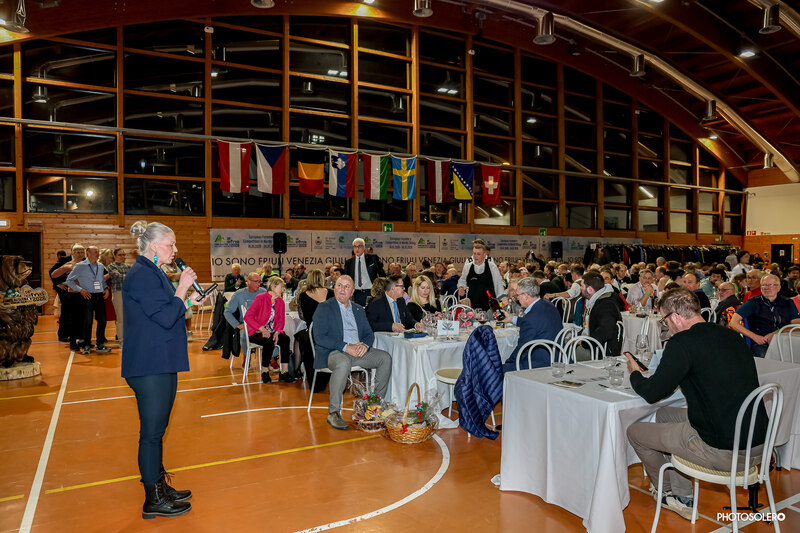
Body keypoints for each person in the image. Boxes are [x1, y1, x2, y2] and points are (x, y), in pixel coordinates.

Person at [625, 288, 768, 522]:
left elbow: (651, 393)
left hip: (724, 450)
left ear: (675, 317)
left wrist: (634, 373)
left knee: (635, 432)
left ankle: (671, 494)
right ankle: (682, 490)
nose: (666, 326)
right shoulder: (731, 335)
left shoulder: (682, 343)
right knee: (663, 414)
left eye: (664, 320)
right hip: (757, 440)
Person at [122, 220, 207, 519]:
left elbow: (167, 311)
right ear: (154, 245)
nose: (175, 249)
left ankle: (159, 487)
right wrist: (182, 287)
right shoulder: (142, 274)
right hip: (149, 364)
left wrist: (188, 299)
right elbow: (165, 317)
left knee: (157, 432)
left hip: (160, 360)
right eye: (171, 244)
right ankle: (153, 499)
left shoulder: (153, 271)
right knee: (152, 434)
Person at [312, 275, 392, 430]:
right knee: (343, 363)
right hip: (333, 352)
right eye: (339, 285)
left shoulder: (358, 309)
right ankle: (334, 412)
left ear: (352, 291)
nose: (342, 290)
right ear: (334, 288)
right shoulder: (324, 307)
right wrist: (345, 347)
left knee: (385, 358)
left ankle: (374, 406)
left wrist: (365, 346)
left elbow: (369, 334)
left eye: (346, 286)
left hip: (357, 352)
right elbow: (320, 337)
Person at [729, 274, 800, 358]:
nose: (766, 288)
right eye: (763, 285)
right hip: (761, 342)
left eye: (770, 285)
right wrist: (754, 336)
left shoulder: (788, 302)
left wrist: (776, 333)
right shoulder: (753, 302)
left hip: (785, 340)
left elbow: (796, 324)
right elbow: (733, 323)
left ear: (778, 287)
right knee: (766, 359)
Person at [501, 277, 562, 373]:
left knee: (498, 370)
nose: (517, 298)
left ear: (525, 295)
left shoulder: (531, 318)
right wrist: (512, 318)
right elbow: (535, 323)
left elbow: (522, 349)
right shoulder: (549, 305)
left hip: (540, 364)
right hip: (559, 356)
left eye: (518, 295)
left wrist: (507, 363)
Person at [244, 276, 295, 383]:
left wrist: (277, 332)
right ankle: (265, 371)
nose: (283, 290)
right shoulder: (260, 298)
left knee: (285, 339)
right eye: (281, 287)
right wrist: (262, 329)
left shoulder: (280, 301)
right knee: (268, 341)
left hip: (272, 331)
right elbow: (248, 317)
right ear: (273, 287)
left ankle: (284, 372)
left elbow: (281, 320)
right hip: (256, 332)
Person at [66, 245, 111, 355]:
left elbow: (101, 280)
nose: (97, 253)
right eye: (95, 252)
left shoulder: (100, 266)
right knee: (88, 321)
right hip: (87, 296)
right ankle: (86, 345)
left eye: (98, 251)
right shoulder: (80, 266)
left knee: (102, 320)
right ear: (88, 254)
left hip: (99, 296)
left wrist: (106, 288)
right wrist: (80, 290)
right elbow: (69, 280)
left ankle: (100, 344)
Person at [296, 269, 335, 389]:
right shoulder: (331, 293)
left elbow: (303, 316)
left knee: (301, 339)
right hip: (332, 333)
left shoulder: (303, 295)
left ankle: (308, 378)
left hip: (314, 332)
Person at [223, 271, 266, 359]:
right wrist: (236, 324)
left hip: (262, 324)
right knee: (243, 336)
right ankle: (246, 356)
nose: (258, 284)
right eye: (256, 281)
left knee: (274, 335)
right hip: (246, 324)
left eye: (259, 281)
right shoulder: (239, 294)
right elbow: (227, 311)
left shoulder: (264, 292)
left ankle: (272, 358)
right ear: (248, 282)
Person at [49, 243, 86, 345]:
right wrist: (58, 284)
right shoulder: (65, 261)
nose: (80, 254)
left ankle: (80, 336)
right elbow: (52, 272)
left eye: (82, 252)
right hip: (67, 291)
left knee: (81, 315)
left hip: (82, 292)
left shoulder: (86, 262)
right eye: (77, 252)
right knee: (66, 313)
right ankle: (63, 335)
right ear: (73, 253)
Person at [580, 272, 622, 357]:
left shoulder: (606, 305)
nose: (580, 288)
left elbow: (606, 331)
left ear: (590, 290)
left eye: (582, 286)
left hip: (601, 353)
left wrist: (584, 343)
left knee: (566, 348)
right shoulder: (596, 301)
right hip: (596, 347)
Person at [457, 241, 504, 310]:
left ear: (484, 255)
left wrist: (501, 300)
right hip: (473, 304)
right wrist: (461, 288)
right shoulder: (467, 267)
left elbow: (498, 284)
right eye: (474, 253)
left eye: (478, 254)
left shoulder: (492, 266)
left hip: (489, 304)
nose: (475, 256)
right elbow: (462, 281)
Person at [345, 237, 385, 306]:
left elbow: (381, 273)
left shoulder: (373, 258)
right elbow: (346, 278)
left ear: (364, 247)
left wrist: (381, 288)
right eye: (355, 246)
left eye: (359, 246)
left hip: (371, 292)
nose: (357, 249)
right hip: (356, 293)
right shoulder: (349, 262)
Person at [107, 248, 131, 349]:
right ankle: (122, 341)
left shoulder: (128, 267)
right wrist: (126, 276)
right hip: (118, 293)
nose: (123, 257)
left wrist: (122, 276)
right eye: (120, 255)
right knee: (120, 318)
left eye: (124, 255)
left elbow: (133, 278)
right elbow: (116, 277)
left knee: (129, 318)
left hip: (129, 294)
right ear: (115, 256)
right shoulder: (112, 266)